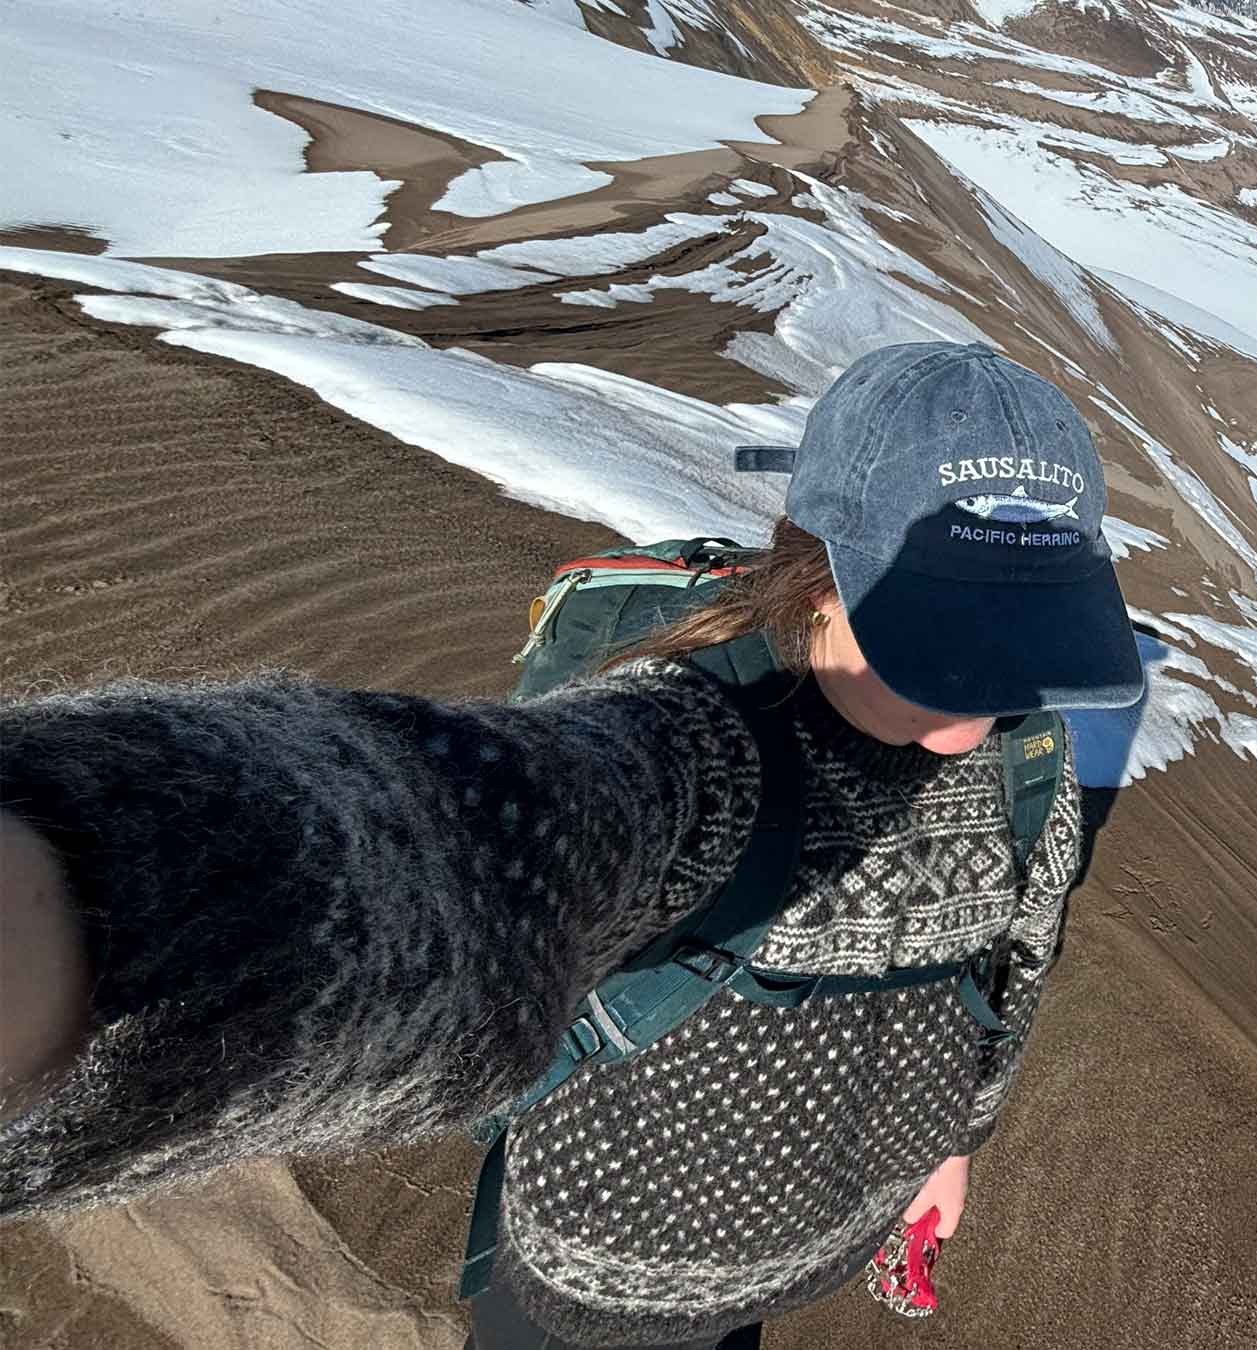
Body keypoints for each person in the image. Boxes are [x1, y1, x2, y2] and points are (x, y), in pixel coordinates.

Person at [0, 341, 1146, 1348]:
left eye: (1028, 637)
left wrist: (956, 1143)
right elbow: (459, 847)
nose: (980, 713)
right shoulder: (706, 758)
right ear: (815, 581)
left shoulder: (1029, 756)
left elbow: (1018, 958)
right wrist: (73, 908)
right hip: (602, 1301)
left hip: (818, 1246)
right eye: (944, 642)